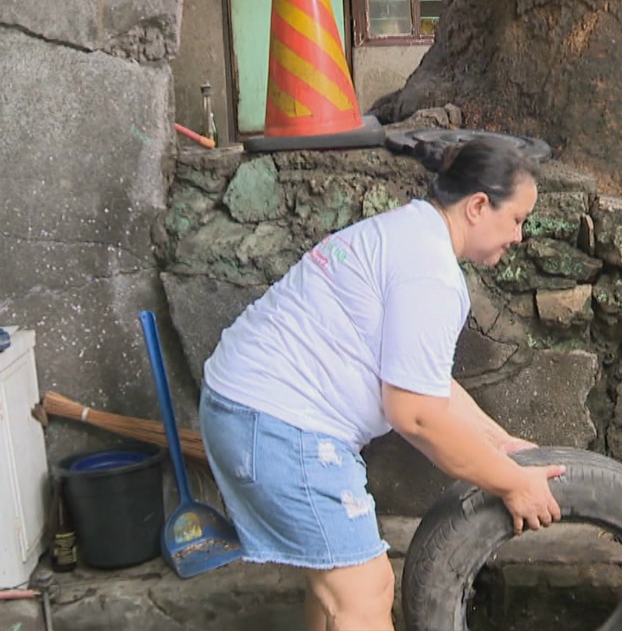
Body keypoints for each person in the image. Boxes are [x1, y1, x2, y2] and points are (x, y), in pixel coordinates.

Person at [198, 136, 566, 631]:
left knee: (334, 588)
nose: (519, 236)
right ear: (479, 206)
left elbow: (423, 382)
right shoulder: (430, 273)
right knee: (366, 591)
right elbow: (414, 414)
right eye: (517, 219)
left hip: (249, 408)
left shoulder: (409, 233)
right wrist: (511, 481)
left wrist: (497, 443)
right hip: (279, 424)